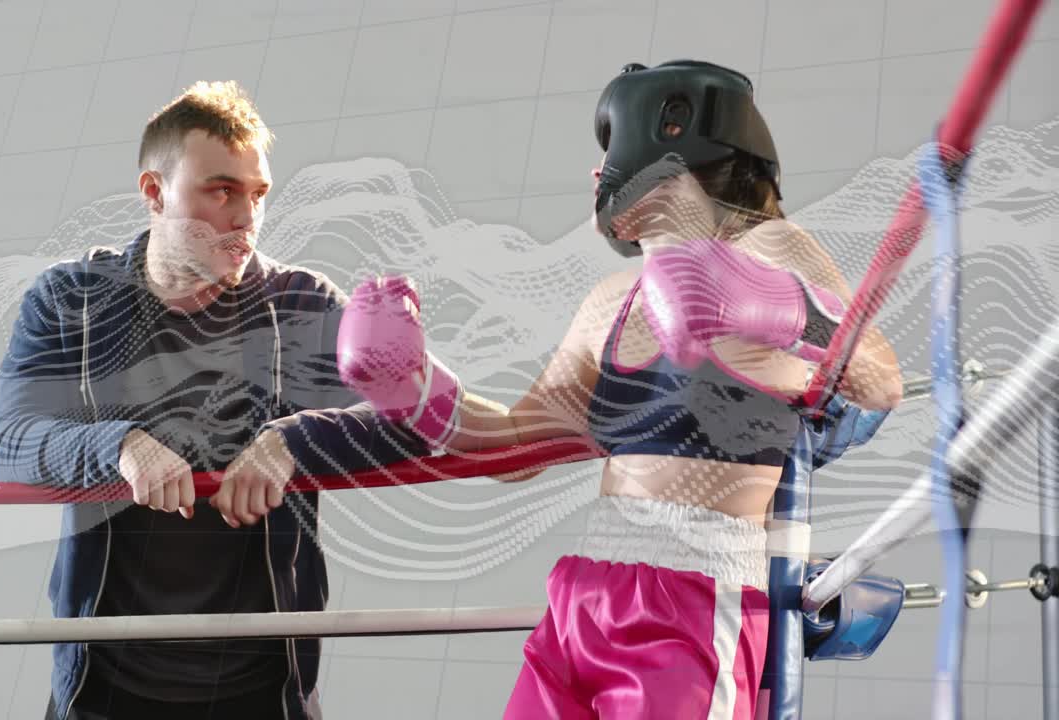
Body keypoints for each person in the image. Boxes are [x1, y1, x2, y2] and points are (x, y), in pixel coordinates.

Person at [254, 60, 905, 718]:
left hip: (698, 597)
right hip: (586, 595)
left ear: (671, 140)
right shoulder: (608, 303)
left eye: (609, 149)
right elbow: (516, 446)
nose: (598, 175)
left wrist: (766, 303)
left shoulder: (772, 248)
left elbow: (879, 377)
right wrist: (413, 388)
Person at [0, 80, 425, 720]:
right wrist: (119, 448)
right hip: (103, 689)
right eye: (221, 191)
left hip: (261, 691)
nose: (246, 218)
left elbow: (413, 418)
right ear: (155, 192)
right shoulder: (70, 298)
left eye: (257, 194)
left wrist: (295, 440)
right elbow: (9, 443)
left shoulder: (302, 304)